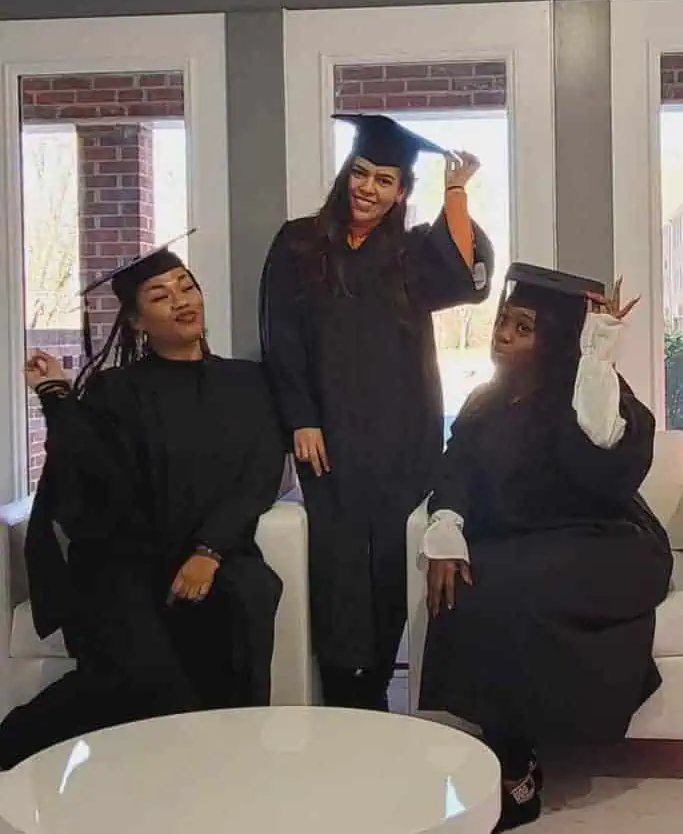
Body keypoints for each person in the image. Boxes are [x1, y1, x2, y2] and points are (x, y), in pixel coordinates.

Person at [0, 240, 285, 769]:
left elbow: (259, 476)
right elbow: (90, 477)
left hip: (217, 554)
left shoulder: (247, 383)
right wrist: (56, 396)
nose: (181, 299)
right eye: (160, 295)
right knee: (145, 684)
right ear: (136, 322)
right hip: (126, 562)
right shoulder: (115, 390)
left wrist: (209, 550)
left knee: (248, 596)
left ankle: (240, 761)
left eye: (187, 286)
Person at [419, 263, 673, 831]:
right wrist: (447, 524)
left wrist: (598, 359)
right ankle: (503, 745)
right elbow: (456, 469)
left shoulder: (587, 389)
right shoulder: (486, 401)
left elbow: (609, 455)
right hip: (528, 544)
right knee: (475, 580)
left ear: (555, 339)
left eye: (523, 328)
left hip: (609, 542)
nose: (503, 335)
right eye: (504, 322)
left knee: (509, 585)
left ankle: (521, 765)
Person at [259, 113, 494, 710]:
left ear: (400, 194)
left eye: (385, 181)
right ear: (347, 175)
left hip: (402, 427)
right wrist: (299, 417)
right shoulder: (297, 243)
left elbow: (469, 279)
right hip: (329, 428)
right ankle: (342, 685)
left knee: (391, 554)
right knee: (338, 559)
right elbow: (279, 337)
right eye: (361, 173)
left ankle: (378, 686)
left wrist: (456, 193)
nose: (368, 188)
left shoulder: (410, 255)